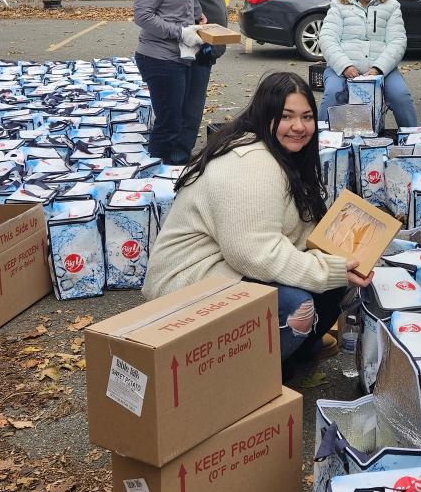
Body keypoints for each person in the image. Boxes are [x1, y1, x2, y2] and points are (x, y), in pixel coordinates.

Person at [142, 72, 372, 367]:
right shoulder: (249, 163)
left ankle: (294, 350)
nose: (299, 127)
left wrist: (353, 250)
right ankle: (250, 381)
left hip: (225, 268)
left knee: (335, 279)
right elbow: (253, 254)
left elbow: (298, 229)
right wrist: (330, 269)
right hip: (184, 287)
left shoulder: (281, 153)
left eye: (306, 117)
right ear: (265, 114)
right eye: (286, 116)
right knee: (296, 306)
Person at [133, 0, 205, 164]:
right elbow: (143, 16)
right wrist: (181, 32)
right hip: (159, 59)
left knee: (174, 119)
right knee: (169, 123)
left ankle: (169, 172)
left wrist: (196, 15)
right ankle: (155, 178)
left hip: (176, 57)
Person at [318, 0, 418, 128]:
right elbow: (327, 38)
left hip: (381, 70)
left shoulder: (392, 7)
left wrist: (378, 69)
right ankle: (319, 139)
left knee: (400, 95)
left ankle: (412, 137)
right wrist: (345, 67)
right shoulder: (339, 5)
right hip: (341, 69)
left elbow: (397, 41)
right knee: (333, 94)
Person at [178, 0, 230, 162]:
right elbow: (180, 2)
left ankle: (180, 156)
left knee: (190, 110)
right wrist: (199, 25)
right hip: (195, 51)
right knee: (188, 111)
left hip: (200, 51)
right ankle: (178, 162)